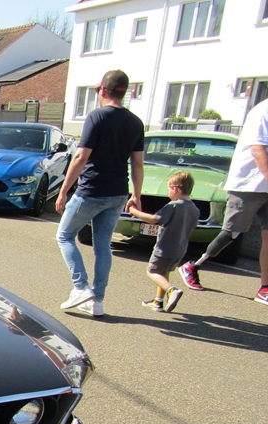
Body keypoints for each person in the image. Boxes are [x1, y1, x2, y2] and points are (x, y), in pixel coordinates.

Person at [179, 65, 268, 309]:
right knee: (232, 233)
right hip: (249, 184)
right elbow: (258, 149)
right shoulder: (265, 111)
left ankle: (266, 289)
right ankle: (192, 266)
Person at [55, 69, 145, 318]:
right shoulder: (135, 122)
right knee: (103, 246)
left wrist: (63, 190)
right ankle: (97, 301)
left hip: (92, 190)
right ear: (125, 92)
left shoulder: (97, 117)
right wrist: (136, 195)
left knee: (64, 236)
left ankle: (80, 287)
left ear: (103, 90)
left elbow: (80, 157)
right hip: (118, 193)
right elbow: (138, 164)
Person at [128, 171, 199, 312]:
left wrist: (134, 211)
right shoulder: (194, 209)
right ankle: (158, 301)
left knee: (152, 272)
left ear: (175, 189)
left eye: (168, 189)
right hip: (180, 249)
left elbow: (153, 219)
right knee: (164, 272)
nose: (168, 193)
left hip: (164, 247)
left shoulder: (173, 206)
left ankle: (172, 290)